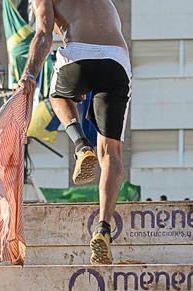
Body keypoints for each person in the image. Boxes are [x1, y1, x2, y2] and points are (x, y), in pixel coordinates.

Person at [32, 0, 131, 264]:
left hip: (77, 54)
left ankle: (80, 145)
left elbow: (43, 35)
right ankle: (103, 228)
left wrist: (29, 75)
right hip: (116, 61)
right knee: (111, 151)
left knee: (56, 96)